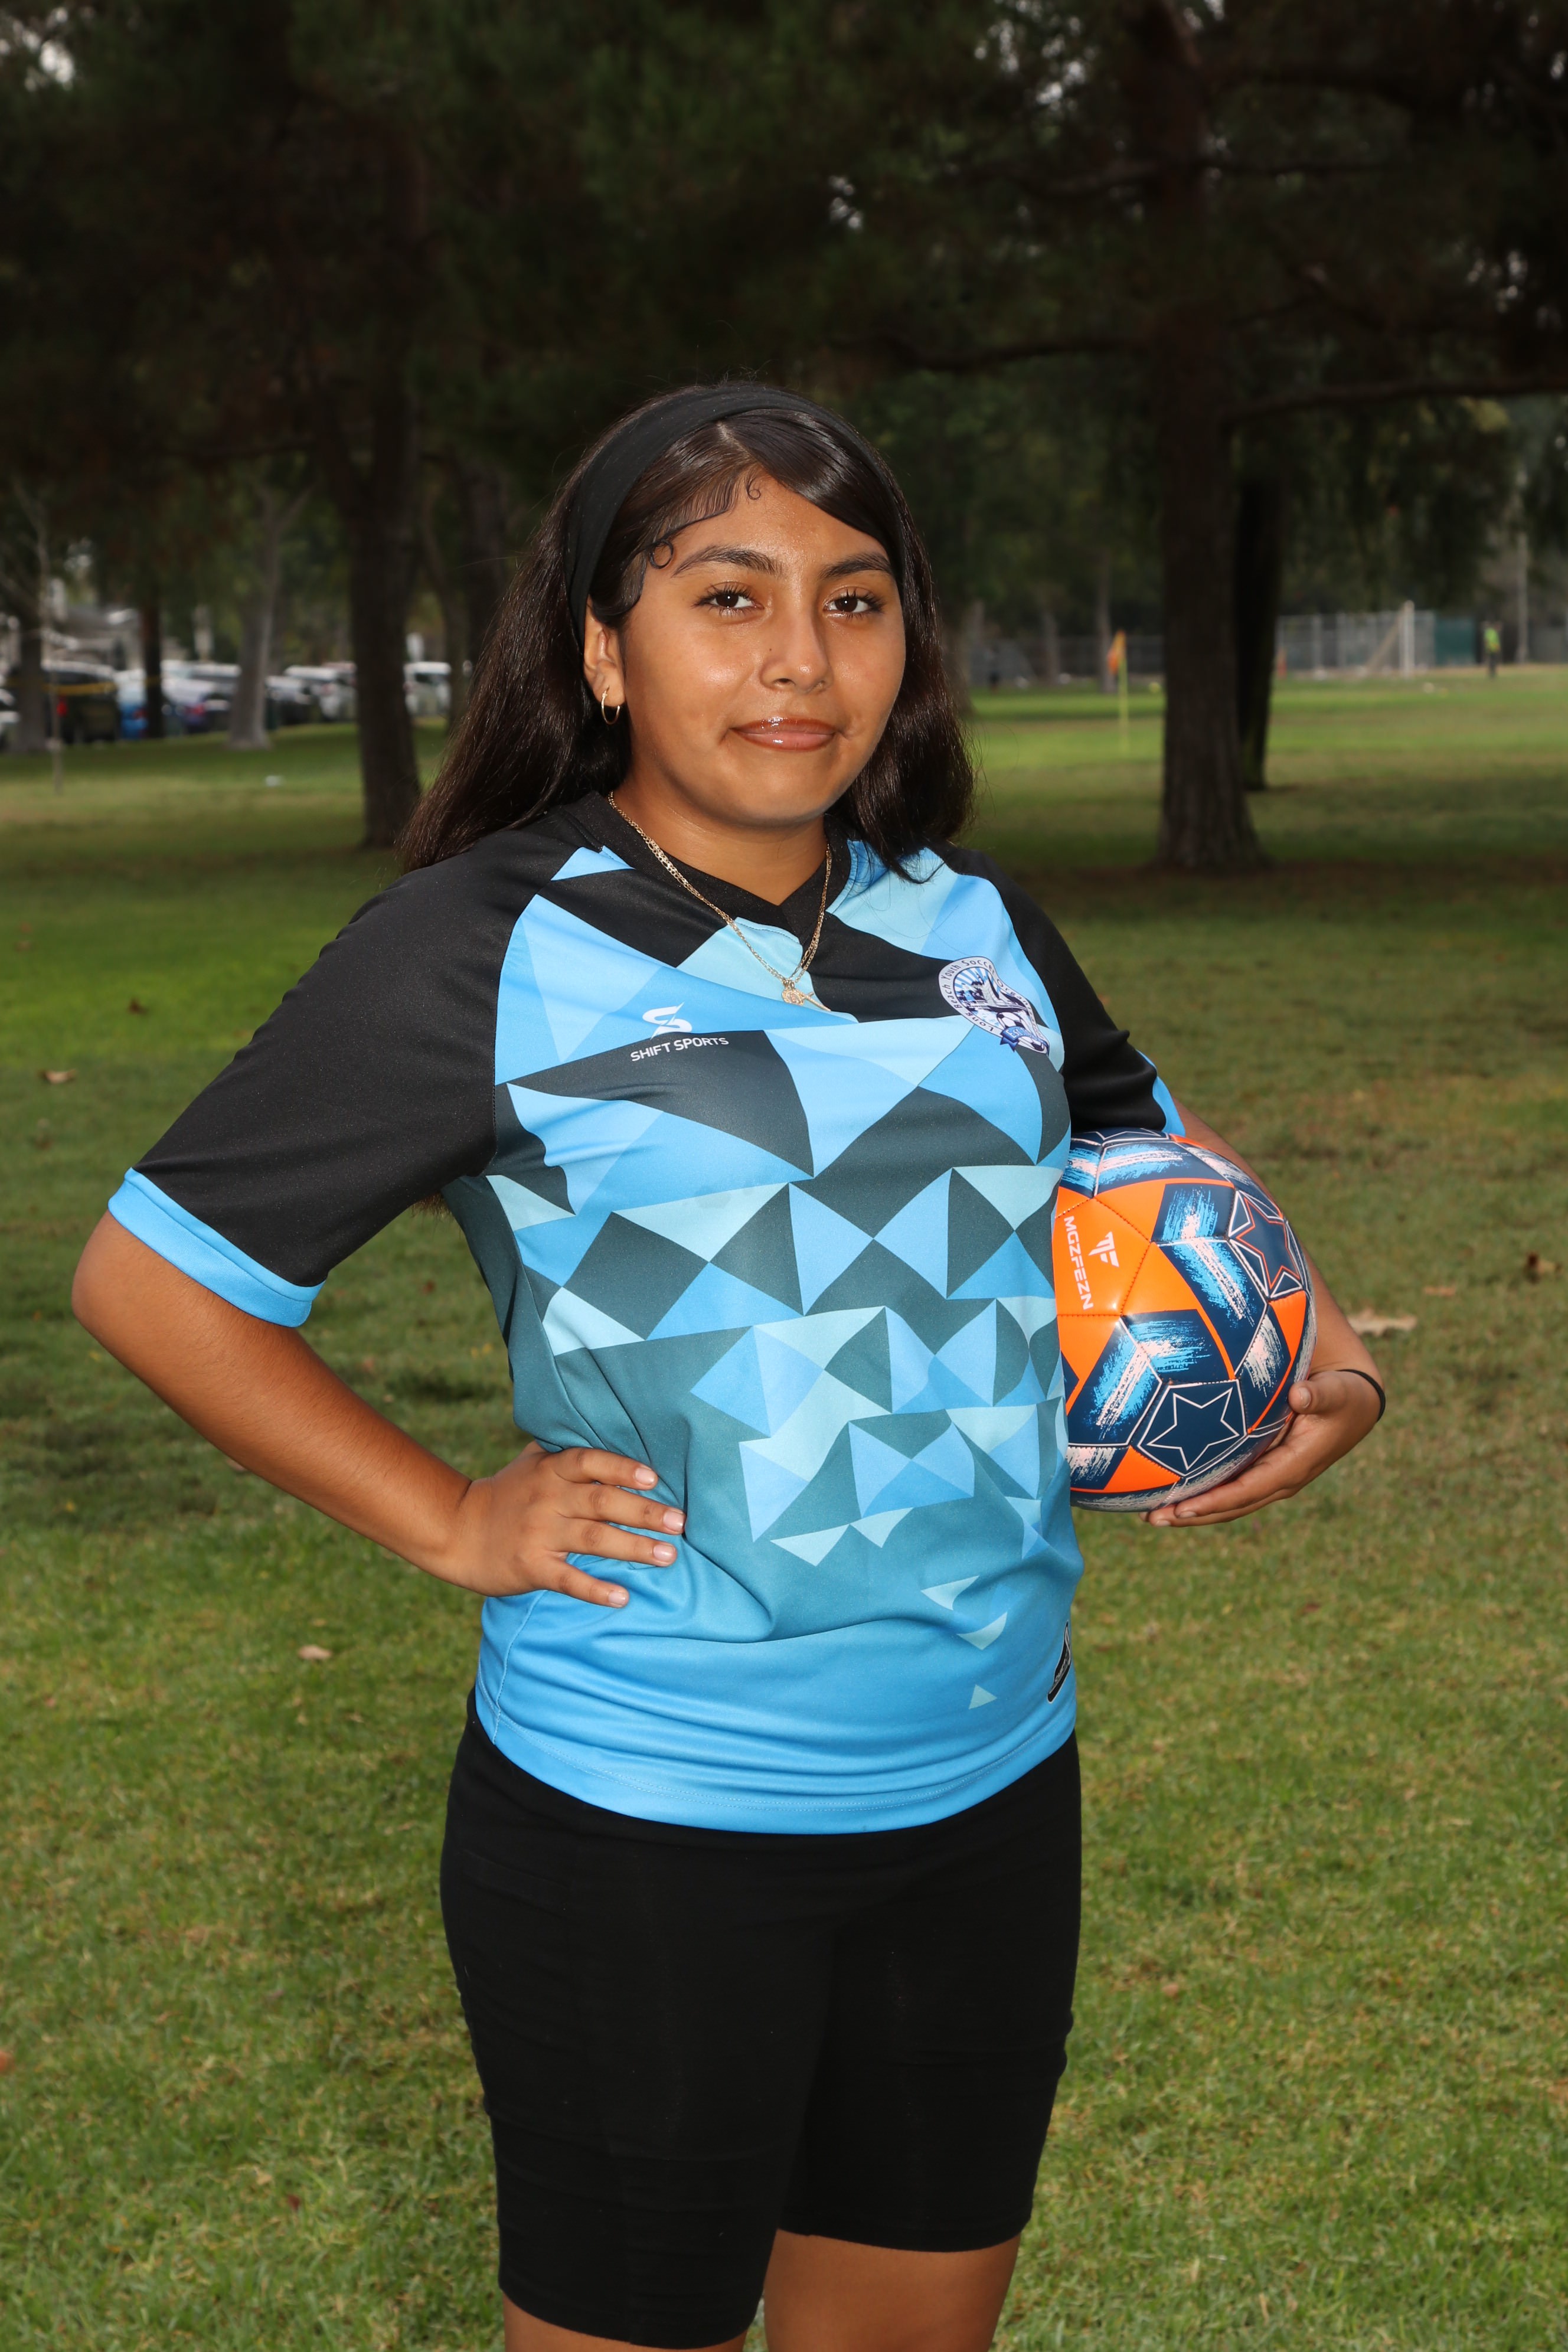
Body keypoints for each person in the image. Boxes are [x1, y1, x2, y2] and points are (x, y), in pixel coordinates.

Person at [71, 386, 1385, 2352]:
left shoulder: (976, 924)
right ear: (605, 649)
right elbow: (153, 1281)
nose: (800, 661)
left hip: (990, 1793)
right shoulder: (481, 948)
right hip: (648, 1829)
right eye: (727, 597)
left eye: (854, 602)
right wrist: (449, 1518)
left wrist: (1326, 1355)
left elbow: (1145, 1143)